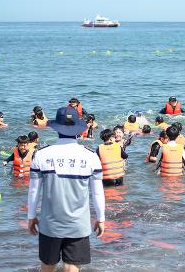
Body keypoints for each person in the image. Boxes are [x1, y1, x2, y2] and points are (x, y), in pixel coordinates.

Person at [27, 106, 105, 271]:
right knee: (72, 266)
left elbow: (34, 190)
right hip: (78, 224)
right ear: (78, 128)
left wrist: (31, 216)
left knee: (48, 265)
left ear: (56, 128)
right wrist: (101, 218)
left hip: (50, 224)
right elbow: (98, 192)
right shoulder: (91, 156)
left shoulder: (41, 155)